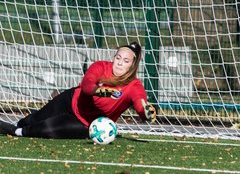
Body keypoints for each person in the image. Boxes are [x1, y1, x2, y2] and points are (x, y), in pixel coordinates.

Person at [0, 42, 156, 139]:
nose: (120, 63)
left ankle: (16, 132)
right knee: (30, 120)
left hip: (85, 123)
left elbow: (140, 103)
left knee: (45, 129)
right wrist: (101, 91)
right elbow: (87, 85)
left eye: (126, 61)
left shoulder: (134, 86)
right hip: (70, 101)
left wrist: (146, 112)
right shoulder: (101, 66)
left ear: (132, 66)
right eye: (118, 57)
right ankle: (17, 125)